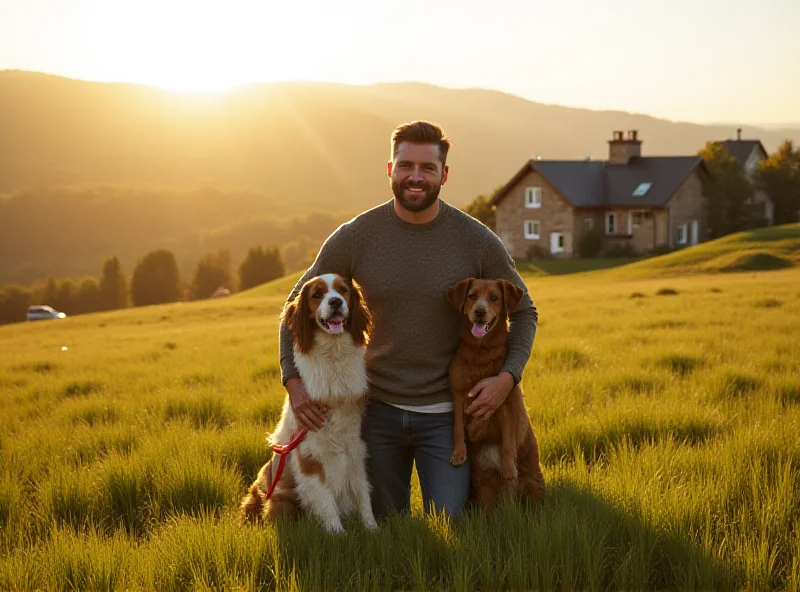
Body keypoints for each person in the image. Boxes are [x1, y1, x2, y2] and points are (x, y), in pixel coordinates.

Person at [279, 120, 538, 519]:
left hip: (445, 414)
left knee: (451, 519)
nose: (415, 177)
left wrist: (507, 378)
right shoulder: (356, 235)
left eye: (427, 168)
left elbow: (525, 312)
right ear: (390, 169)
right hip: (375, 410)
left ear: (444, 175)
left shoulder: (476, 239)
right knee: (383, 523)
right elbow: (295, 306)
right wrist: (293, 383)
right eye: (405, 166)